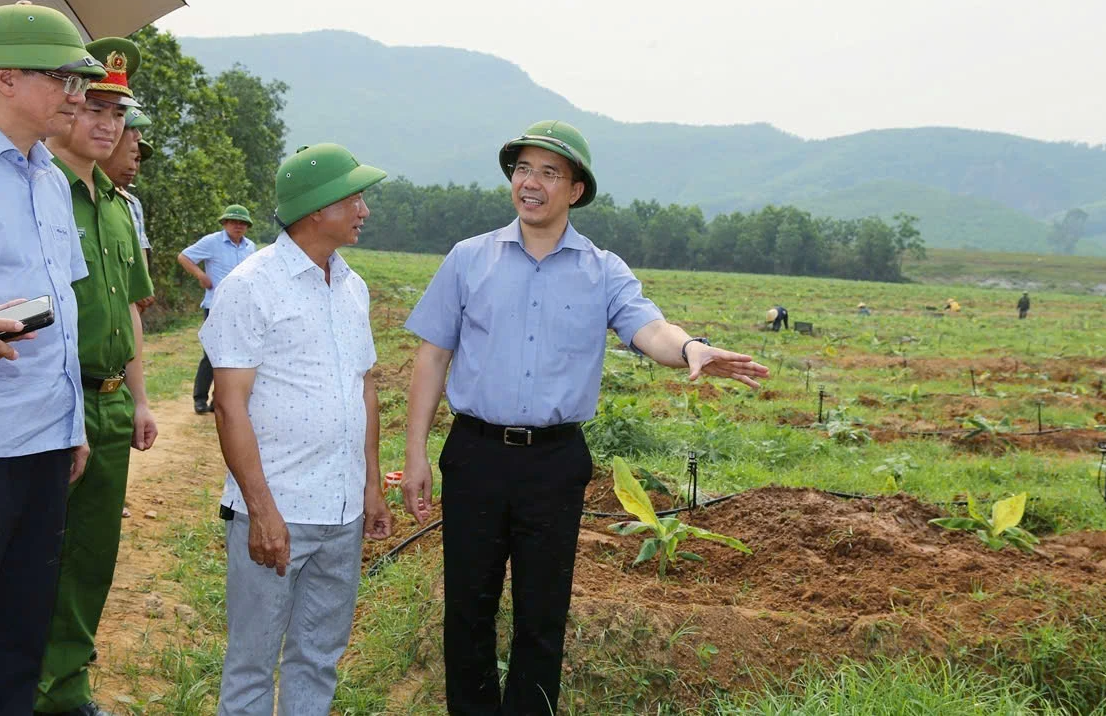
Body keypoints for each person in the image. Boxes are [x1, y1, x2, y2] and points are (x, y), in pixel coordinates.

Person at [401, 120, 768, 715]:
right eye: (523, 169)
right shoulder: (469, 260)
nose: (532, 183)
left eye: (550, 173)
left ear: (575, 190)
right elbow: (432, 355)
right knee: (468, 609)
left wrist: (691, 349)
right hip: (476, 455)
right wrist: (416, 453)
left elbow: (649, 327)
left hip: (554, 461)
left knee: (543, 615)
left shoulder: (602, 270)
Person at [0, 0, 102, 716]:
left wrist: (74, 423)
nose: (75, 95)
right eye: (63, 78)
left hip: (43, 442)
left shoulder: (47, 176)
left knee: (17, 637)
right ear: (5, 77)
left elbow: (58, 309)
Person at [200, 143, 393, 715]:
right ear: (316, 208)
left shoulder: (351, 287)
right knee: (253, 664)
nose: (364, 210)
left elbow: (364, 389)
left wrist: (372, 486)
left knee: (319, 657)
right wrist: (261, 511)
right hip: (278, 511)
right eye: (354, 198)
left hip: (341, 514)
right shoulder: (252, 284)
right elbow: (229, 406)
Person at [34, 36, 158, 716]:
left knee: (90, 556)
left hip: (108, 405)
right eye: (95, 106)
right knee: (34, 554)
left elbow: (132, 311)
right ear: (66, 108)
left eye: (119, 110)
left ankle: (68, 685)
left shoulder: (115, 204)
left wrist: (139, 398)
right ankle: (20, 683)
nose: (109, 123)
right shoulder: (39, 190)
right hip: (52, 400)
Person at [178, 205, 257, 414]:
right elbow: (184, 257)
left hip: (241, 308)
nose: (238, 226)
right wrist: (201, 276)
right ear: (224, 223)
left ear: (247, 226)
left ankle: (219, 400)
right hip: (216, 306)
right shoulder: (212, 242)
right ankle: (199, 398)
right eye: (233, 222)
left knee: (234, 356)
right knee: (211, 353)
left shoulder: (250, 247)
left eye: (242, 223)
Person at [100, 106, 156, 308]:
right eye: (132, 155)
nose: (134, 166)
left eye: (138, 159)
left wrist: (144, 285)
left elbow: (139, 250)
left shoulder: (130, 203)